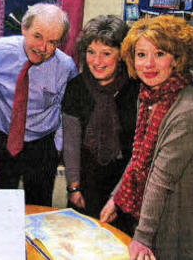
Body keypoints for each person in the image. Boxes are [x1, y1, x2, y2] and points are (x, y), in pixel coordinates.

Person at [100, 15, 193, 260]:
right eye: (141, 55)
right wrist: (116, 199)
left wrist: (142, 236)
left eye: (160, 54)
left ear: (177, 58)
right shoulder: (150, 96)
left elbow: (161, 177)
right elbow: (140, 156)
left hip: (176, 225)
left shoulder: (187, 110)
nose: (148, 64)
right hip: (154, 217)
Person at [0, 3, 77, 206]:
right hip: (2, 141)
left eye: (52, 42)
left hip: (41, 146)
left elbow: (67, 111)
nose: (42, 48)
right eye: (37, 36)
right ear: (24, 28)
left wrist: (56, 146)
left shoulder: (66, 66)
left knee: (39, 208)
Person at [61, 15, 139, 235]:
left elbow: (140, 151)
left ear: (122, 56)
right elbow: (71, 143)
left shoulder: (137, 88)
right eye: (91, 52)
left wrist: (119, 196)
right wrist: (73, 187)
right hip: (86, 185)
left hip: (127, 186)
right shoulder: (76, 87)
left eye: (106, 53)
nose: (97, 61)